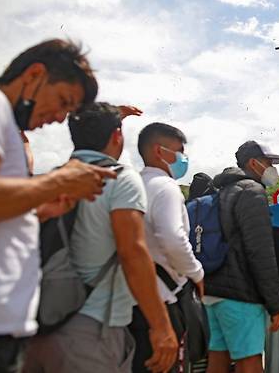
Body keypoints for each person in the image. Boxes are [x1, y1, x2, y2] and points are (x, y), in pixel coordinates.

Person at [0, 39, 119, 373]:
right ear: (34, 74)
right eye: (63, 101)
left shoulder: (7, 126)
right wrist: (58, 182)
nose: (60, 118)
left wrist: (39, 208)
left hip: (8, 326)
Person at [22, 103, 178, 373]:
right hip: (91, 330)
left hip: (41, 323)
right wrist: (162, 326)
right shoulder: (121, 179)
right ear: (117, 136)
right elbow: (132, 253)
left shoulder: (51, 178)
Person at [205, 141, 279, 373]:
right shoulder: (252, 192)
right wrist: (274, 303)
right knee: (249, 361)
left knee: (218, 359)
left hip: (214, 292)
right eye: (269, 163)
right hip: (241, 295)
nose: (272, 169)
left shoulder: (221, 192)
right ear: (254, 163)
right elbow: (260, 252)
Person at [131, 123, 206, 372]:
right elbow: (173, 238)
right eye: (179, 151)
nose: (183, 159)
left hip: (134, 299)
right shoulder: (166, 187)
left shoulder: (133, 185)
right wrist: (196, 273)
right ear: (158, 151)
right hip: (165, 300)